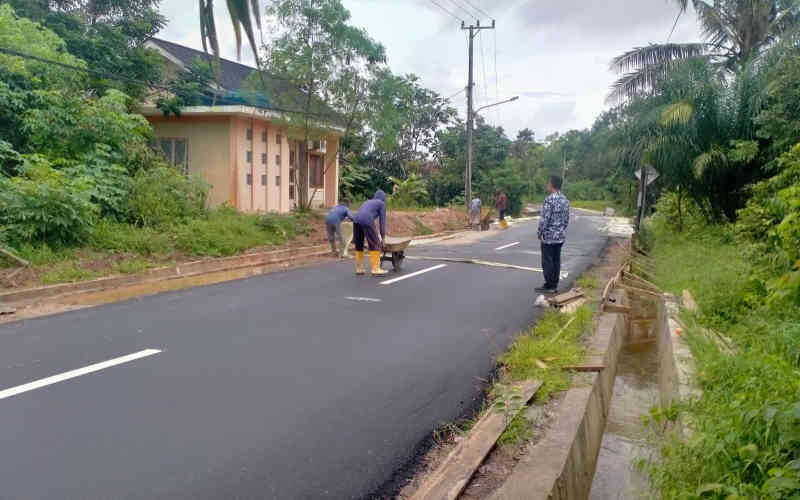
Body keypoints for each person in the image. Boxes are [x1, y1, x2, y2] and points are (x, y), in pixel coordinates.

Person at [536, 176, 570, 294]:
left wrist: (540, 232)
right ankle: (554, 284)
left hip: (549, 237)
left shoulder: (549, 200)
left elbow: (545, 219)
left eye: (548, 183)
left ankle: (549, 285)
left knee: (547, 261)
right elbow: (566, 220)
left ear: (552, 185)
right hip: (560, 236)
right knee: (556, 260)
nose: (547, 184)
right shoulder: (565, 200)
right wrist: (560, 229)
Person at [352, 190, 388, 276]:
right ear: (383, 198)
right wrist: (383, 239)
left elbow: (361, 214)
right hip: (367, 220)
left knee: (359, 244)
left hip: (356, 220)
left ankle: (359, 268)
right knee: (375, 243)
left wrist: (354, 237)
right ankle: (375, 269)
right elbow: (382, 222)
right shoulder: (381, 204)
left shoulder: (367, 201)